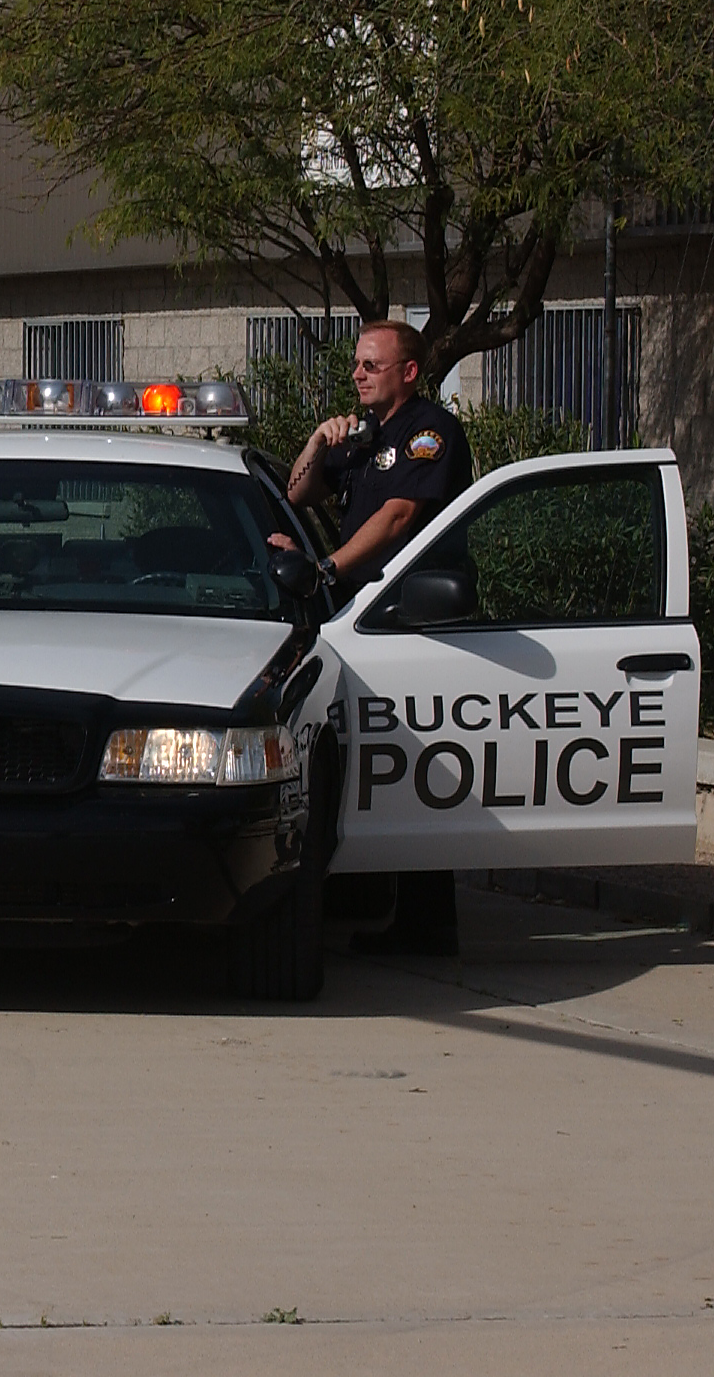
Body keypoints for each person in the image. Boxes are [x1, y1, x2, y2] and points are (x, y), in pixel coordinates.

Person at [273, 318, 475, 955]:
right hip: (364, 618)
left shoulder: (430, 432)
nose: (358, 374)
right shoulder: (363, 437)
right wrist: (318, 438)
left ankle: (428, 922)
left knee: (418, 762)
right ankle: (389, 907)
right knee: (376, 759)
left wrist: (327, 569)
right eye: (357, 364)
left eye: (371, 365)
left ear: (408, 372)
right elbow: (299, 492)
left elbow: (399, 516)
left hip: (417, 620)